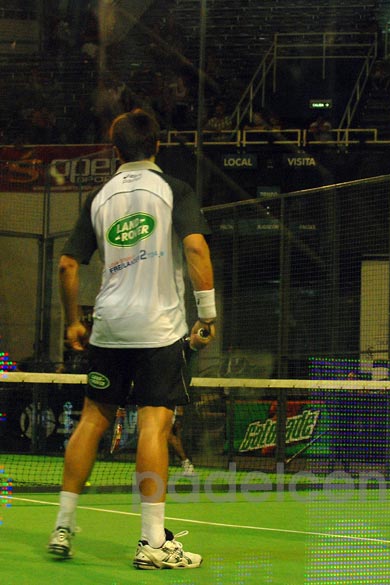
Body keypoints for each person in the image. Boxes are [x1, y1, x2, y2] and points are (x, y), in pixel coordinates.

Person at [48, 109, 216, 569]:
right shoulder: (174, 190)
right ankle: (152, 542)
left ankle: (62, 526)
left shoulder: (99, 197)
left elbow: (67, 265)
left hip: (109, 327)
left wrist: (73, 322)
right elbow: (195, 247)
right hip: (159, 329)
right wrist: (207, 314)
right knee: (154, 425)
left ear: (115, 150)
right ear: (157, 146)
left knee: (92, 421)